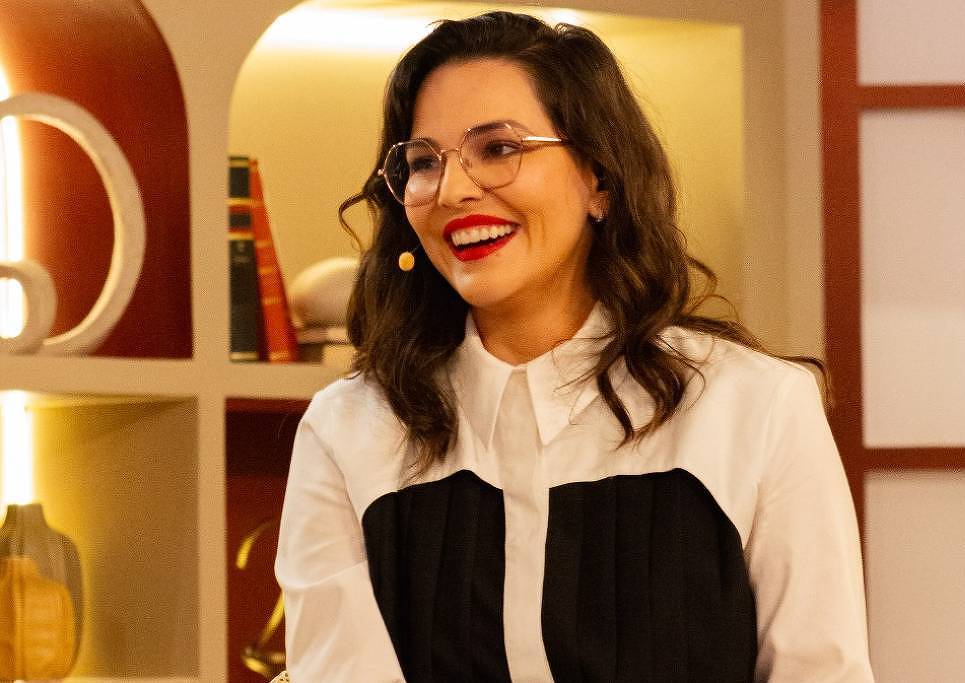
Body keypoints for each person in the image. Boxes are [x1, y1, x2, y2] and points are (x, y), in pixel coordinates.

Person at [275, 11, 874, 682]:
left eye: (498, 148)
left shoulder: (755, 406)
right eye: (423, 162)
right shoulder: (348, 430)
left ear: (599, 177)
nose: (454, 190)